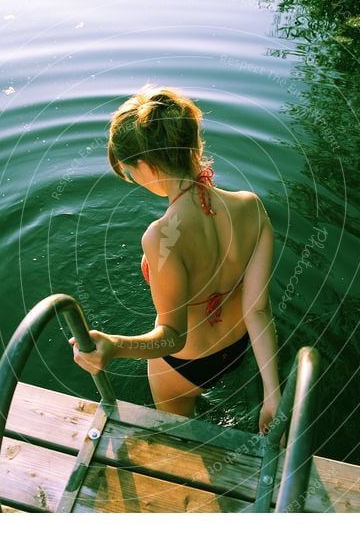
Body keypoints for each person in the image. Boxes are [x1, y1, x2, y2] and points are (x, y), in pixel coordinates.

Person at [69, 85, 281, 434]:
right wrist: (272, 396)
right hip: (240, 347)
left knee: (181, 444)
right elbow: (257, 309)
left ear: (146, 166)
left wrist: (114, 346)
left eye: (129, 171)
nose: (133, 180)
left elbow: (173, 337)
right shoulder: (252, 207)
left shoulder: (161, 236)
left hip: (184, 369)